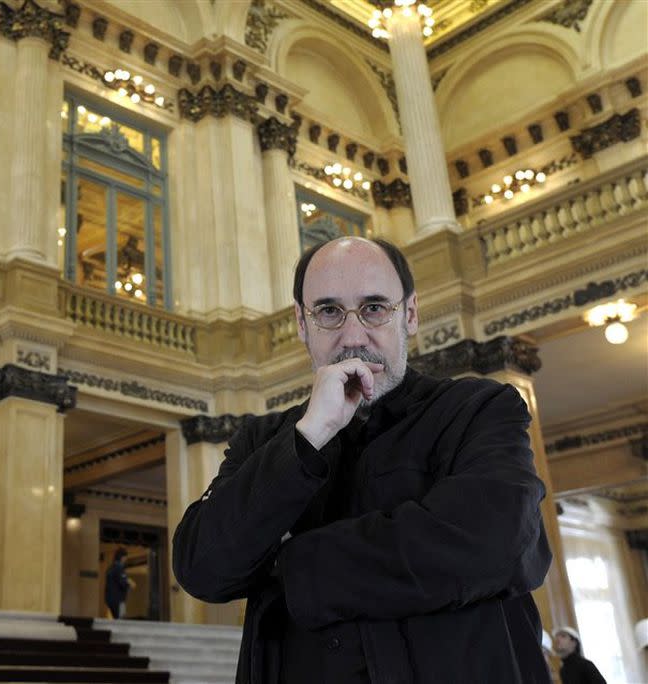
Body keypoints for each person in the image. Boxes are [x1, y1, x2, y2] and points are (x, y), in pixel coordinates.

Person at [173, 237, 553, 683]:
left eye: (374, 308)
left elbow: (494, 543)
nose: (353, 337)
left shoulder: (480, 410)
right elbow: (202, 568)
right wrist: (310, 434)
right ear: (301, 322)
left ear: (409, 314)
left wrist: (287, 562)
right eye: (329, 311)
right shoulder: (262, 439)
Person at [104, 547, 129, 619]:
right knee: (121, 620)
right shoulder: (119, 568)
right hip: (119, 600)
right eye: (125, 557)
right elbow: (123, 583)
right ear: (122, 557)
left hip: (109, 599)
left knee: (115, 618)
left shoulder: (110, 568)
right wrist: (128, 583)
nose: (125, 560)